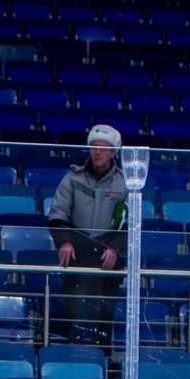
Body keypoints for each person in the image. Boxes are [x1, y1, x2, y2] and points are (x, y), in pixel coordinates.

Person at [45, 124, 128, 344]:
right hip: (77, 254)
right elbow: (57, 214)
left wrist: (115, 249)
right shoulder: (72, 178)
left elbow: (130, 224)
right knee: (75, 312)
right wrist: (64, 242)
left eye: (103, 148)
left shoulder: (125, 183)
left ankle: (103, 357)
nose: (97, 152)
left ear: (113, 153)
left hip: (108, 259)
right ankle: (74, 356)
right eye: (94, 147)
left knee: (104, 316)